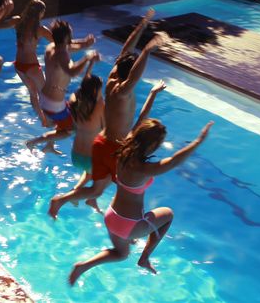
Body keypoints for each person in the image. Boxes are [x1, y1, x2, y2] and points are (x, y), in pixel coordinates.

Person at [48, 9, 168, 217]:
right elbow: (133, 77)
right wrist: (148, 50)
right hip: (113, 148)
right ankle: (64, 200)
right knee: (120, 187)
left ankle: (78, 200)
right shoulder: (123, 92)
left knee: (98, 187)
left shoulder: (113, 78)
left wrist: (142, 24)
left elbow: (126, 49)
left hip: (101, 141)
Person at [68, 117, 214, 284]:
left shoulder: (122, 152)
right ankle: (144, 258)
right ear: (152, 146)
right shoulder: (143, 168)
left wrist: (152, 96)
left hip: (111, 216)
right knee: (168, 215)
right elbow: (174, 161)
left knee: (121, 254)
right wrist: (198, 141)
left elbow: (138, 126)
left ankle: (83, 266)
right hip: (128, 224)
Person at [25, 19, 98, 155]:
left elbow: (70, 46)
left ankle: (49, 146)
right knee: (71, 129)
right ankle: (33, 142)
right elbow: (72, 72)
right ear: (65, 37)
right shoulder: (62, 55)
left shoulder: (51, 47)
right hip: (54, 104)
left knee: (70, 112)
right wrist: (87, 58)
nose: (72, 37)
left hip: (47, 99)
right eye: (70, 35)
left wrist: (85, 43)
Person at [0, 0, 53, 126]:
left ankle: (42, 119)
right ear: (40, 13)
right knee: (46, 96)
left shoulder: (17, 21)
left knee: (33, 92)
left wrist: (6, 12)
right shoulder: (41, 29)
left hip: (19, 66)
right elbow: (58, 43)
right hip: (32, 66)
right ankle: (49, 121)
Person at [65, 61, 104, 192]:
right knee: (100, 176)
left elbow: (83, 86)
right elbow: (107, 130)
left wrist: (91, 64)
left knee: (89, 172)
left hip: (75, 155)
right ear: (95, 91)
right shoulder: (99, 107)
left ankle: (75, 190)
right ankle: (76, 197)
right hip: (90, 158)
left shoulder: (73, 100)